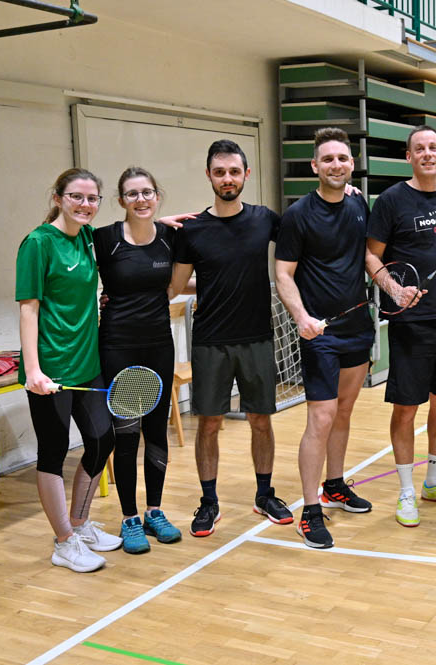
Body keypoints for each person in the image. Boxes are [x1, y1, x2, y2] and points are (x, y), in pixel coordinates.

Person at [169, 139, 292, 537]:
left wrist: (346, 190)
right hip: (210, 341)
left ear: (246, 175)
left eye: (234, 172)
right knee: (208, 424)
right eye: (220, 172)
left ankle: (264, 495)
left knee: (261, 420)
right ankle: (209, 502)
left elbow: (305, 233)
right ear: (209, 175)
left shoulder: (264, 219)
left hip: (257, 337)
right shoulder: (192, 229)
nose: (227, 178)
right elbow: (173, 287)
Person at [366, 125, 436, 527]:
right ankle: (407, 490)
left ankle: (434, 481)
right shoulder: (391, 200)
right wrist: (394, 290)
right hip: (412, 322)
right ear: (409, 157)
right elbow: (371, 256)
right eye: (419, 149)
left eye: (433, 147)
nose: (427, 153)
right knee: (407, 406)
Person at [17, 168, 122, 572]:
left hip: (87, 362)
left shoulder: (88, 238)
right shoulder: (38, 243)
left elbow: (129, 232)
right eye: (77, 196)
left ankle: (80, 524)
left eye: (92, 198)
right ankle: (63, 542)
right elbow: (29, 309)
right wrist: (33, 370)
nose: (85, 205)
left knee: (101, 440)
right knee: (53, 450)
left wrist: (159, 219)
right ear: (58, 198)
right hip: (51, 369)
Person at [275, 127, 375, 549]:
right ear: (315, 166)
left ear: (352, 164)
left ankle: (335, 484)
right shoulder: (298, 214)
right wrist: (301, 317)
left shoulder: (358, 203)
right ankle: (310, 510)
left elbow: (367, 256)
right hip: (321, 334)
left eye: (343, 158)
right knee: (320, 417)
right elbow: (283, 273)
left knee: (344, 411)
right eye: (328, 159)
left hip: (358, 328)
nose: (336, 165)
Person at [93, 167, 182, 554]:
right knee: (127, 433)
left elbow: (181, 277)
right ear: (121, 201)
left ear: (157, 196)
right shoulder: (105, 239)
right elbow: (62, 245)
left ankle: (154, 512)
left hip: (159, 345)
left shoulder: (170, 237)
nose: (141, 199)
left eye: (147, 192)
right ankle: (129, 517)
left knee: (157, 431)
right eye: (132, 194)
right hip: (119, 346)